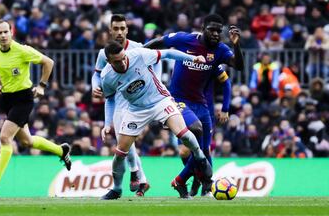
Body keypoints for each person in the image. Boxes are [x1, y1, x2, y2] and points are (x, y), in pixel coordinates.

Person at [100, 40, 213, 200]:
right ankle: (116, 189)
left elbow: (167, 53)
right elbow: (110, 99)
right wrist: (107, 123)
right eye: (117, 61)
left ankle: (200, 157)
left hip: (160, 101)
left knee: (184, 134)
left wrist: (192, 59)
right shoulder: (107, 77)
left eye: (123, 57)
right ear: (109, 61)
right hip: (136, 110)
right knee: (120, 153)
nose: (123, 62)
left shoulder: (139, 55)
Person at [145, 14, 243, 198]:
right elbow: (161, 41)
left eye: (218, 31)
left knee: (204, 151)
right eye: (211, 30)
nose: (215, 34)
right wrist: (139, 52)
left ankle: (187, 182)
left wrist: (236, 44)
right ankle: (203, 182)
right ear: (203, 28)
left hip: (202, 104)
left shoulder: (220, 51)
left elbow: (237, 67)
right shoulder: (185, 39)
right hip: (177, 100)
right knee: (193, 134)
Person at [0, 19, 72, 195]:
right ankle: (61, 150)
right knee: (27, 141)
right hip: (8, 99)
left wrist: (42, 86)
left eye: (6, 32)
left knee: (5, 138)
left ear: (11, 32)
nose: (3, 35)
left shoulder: (22, 50)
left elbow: (48, 62)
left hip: (23, 98)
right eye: (0, 33)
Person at [91, 14, 160, 196]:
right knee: (125, 141)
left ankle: (134, 176)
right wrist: (95, 86)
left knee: (124, 142)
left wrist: (157, 81)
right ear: (110, 30)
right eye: (116, 29)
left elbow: (156, 60)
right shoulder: (103, 54)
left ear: (127, 29)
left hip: (139, 98)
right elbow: (96, 74)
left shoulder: (137, 48)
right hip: (118, 99)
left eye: (123, 28)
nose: (120, 32)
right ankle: (141, 179)